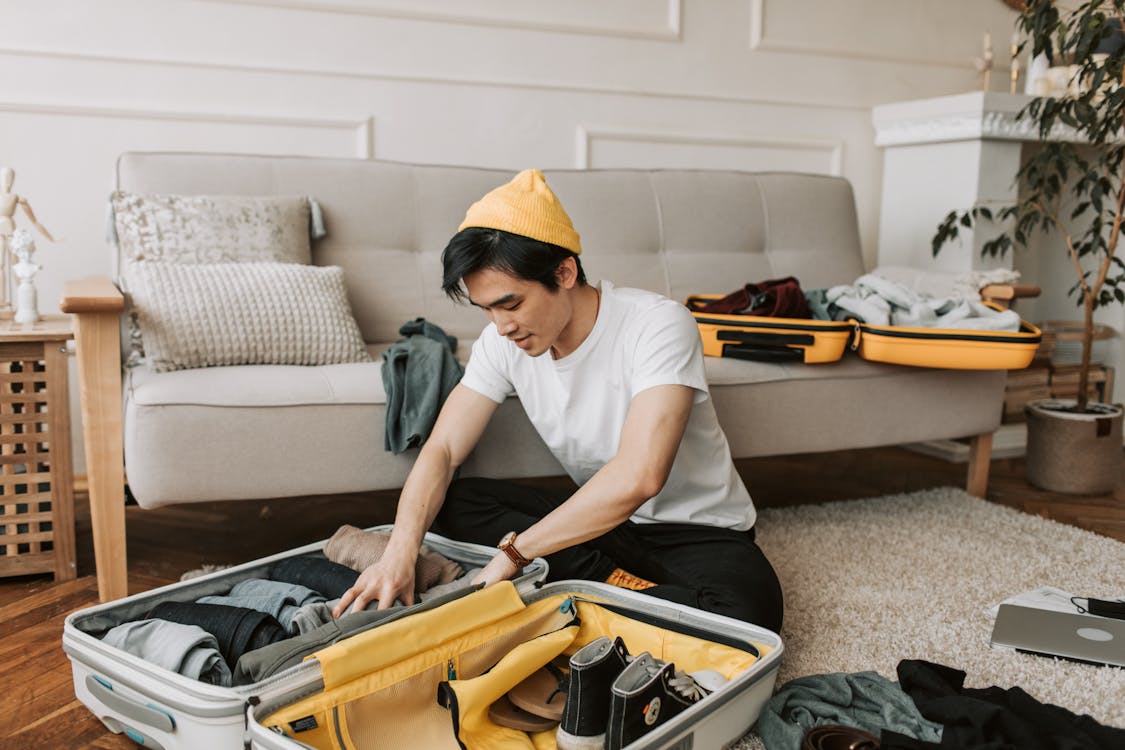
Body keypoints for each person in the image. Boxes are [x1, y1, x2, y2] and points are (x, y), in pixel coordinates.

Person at [333, 169, 783, 630]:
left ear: (564, 272)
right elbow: (443, 450)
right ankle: (612, 587)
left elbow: (640, 477)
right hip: (600, 525)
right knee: (453, 502)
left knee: (747, 618)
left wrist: (516, 552)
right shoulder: (501, 342)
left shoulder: (659, 325)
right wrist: (397, 555)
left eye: (511, 304)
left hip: (696, 532)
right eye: (486, 309)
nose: (501, 325)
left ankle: (579, 588)